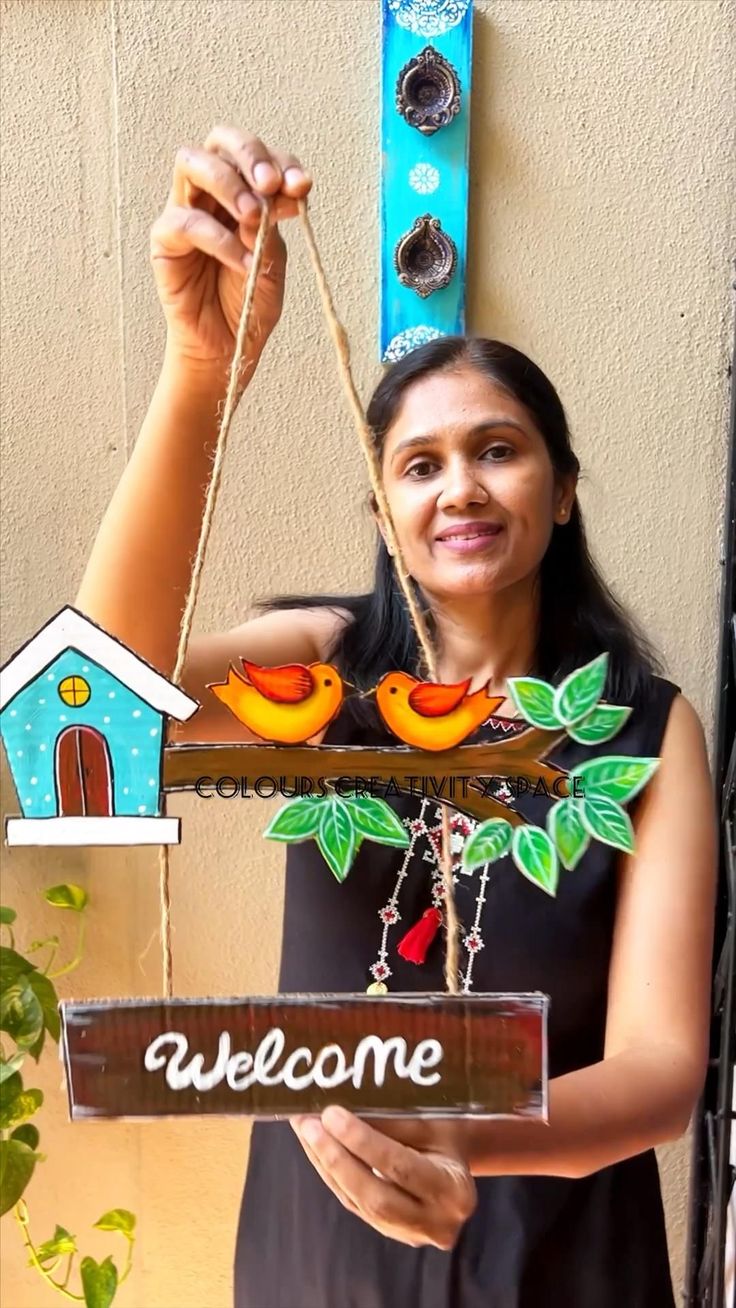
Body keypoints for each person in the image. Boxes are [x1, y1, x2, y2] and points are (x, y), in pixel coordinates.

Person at [76, 126, 718, 1308]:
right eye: (416, 466)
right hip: (315, 1257)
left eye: (497, 451)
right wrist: (199, 372)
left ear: (563, 489)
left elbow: (662, 1070)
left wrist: (463, 1136)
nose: (459, 485)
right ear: (382, 513)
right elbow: (89, 722)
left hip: (557, 1259)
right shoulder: (320, 675)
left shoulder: (642, 729)